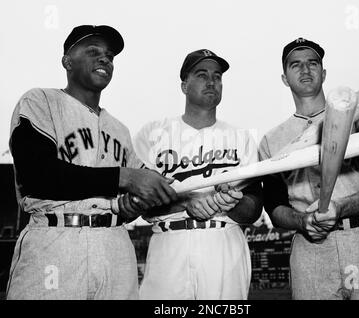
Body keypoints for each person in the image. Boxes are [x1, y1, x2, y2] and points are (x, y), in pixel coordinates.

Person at [6, 25, 177, 300]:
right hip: (55, 240)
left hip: (115, 243)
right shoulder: (40, 101)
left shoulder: (120, 129)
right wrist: (126, 178)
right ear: (67, 61)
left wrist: (139, 203)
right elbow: (38, 176)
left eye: (110, 56)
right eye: (93, 51)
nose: (105, 59)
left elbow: (146, 187)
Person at [259, 37, 359, 300]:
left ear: (323, 73)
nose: (305, 70)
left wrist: (339, 207)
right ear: (284, 78)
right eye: (296, 65)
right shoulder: (273, 141)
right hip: (311, 246)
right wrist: (302, 220)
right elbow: (274, 207)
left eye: (312, 63)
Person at [133, 49, 263, 300]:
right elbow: (141, 204)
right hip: (169, 242)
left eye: (217, 76)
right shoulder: (153, 133)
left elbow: (253, 210)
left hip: (223, 243)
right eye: (202, 75)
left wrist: (233, 203)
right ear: (184, 85)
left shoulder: (242, 138)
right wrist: (187, 201)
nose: (212, 81)